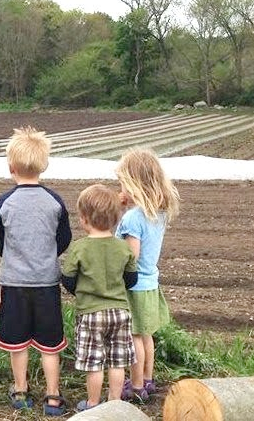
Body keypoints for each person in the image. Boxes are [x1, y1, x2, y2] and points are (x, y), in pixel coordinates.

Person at [0, 126, 72, 416]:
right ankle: (53, 396)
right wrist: (46, 256)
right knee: (50, 345)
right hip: (47, 283)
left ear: (11, 166)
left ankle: (21, 391)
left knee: (17, 341)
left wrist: (14, 256)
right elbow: (64, 239)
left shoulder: (4, 202)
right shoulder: (55, 201)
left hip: (14, 282)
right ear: (44, 165)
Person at [61, 184, 139, 412]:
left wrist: (82, 291)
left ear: (84, 219)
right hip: (120, 312)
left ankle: (93, 403)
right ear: (116, 218)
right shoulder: (123, 248)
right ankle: (114, 403)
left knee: (94, 362)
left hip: (90, 312)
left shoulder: (79, 248)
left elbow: (67, 277)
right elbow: (131, 278)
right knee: (117, 361)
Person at [114, 148, 180, 403]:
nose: (120, 189)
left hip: (135, 286)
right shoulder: (157, 214)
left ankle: (137, 386)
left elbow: (131, 257)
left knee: (134, 337)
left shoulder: (133, 218)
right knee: (146, 334)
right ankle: (148, 379)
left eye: (122, 183)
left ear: (134, 184)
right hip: (151, 281)